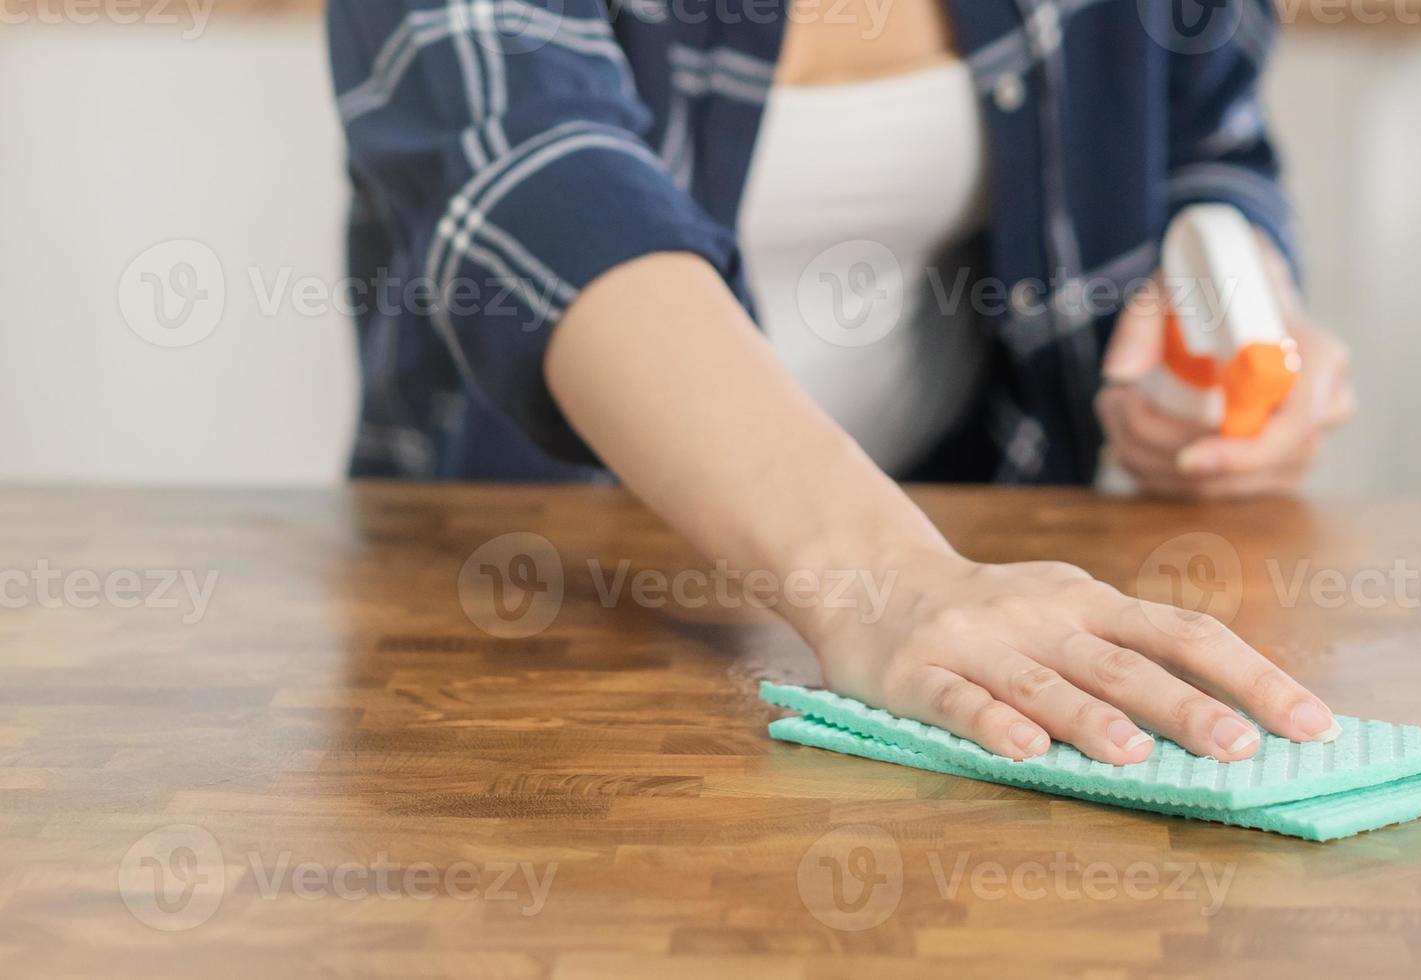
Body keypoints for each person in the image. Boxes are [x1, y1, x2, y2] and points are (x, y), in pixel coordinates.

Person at [325, 0, 1353, 766]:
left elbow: (1204, 144)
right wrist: (887, 579)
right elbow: (534, 185)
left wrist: (1235, 298)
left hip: (975, 594)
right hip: (530, 614)